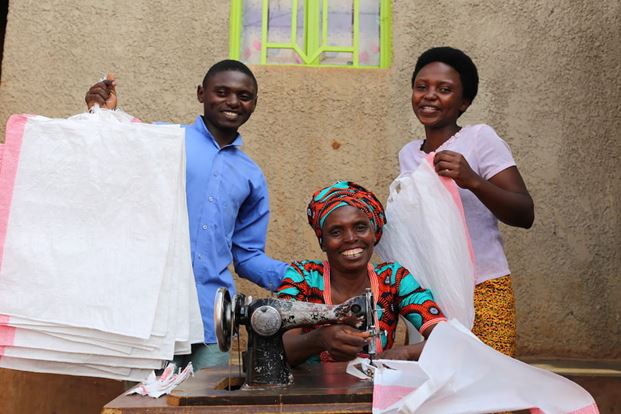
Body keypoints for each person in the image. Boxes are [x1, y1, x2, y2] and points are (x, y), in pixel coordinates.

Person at [85, 60, 288, 369]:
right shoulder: (164, 140)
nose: (233, 102)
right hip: (152, 317)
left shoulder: (251, 176)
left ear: (254, 104)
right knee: (146, 405)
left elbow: (247, 256)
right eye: (222, 92)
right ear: (201, 94)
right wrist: (102, 115)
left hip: (213, 321)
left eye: (244, 96)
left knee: (202, 404)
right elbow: (110, 156)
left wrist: (301, 278)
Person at [399, 47, 534, 356]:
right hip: (428, 293)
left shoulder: (479, 138)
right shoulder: (408, 154)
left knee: (490, 390)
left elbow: (524, 212)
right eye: (422, 87)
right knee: (436, 389)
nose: (430, 95)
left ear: (464, 102)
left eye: (444, 90)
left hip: (483, 288)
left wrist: (473, 180)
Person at [277, 181, 447, 366]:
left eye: (360, 227)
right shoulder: (303, 277)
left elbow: (448, 339)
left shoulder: (393, 279)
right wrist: (319, 338)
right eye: (336, 232)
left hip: (375, 393)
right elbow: (281, 349)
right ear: (322, 242)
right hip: (309, 393)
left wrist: (405, 353)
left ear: (374, 234)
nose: (350, 238)